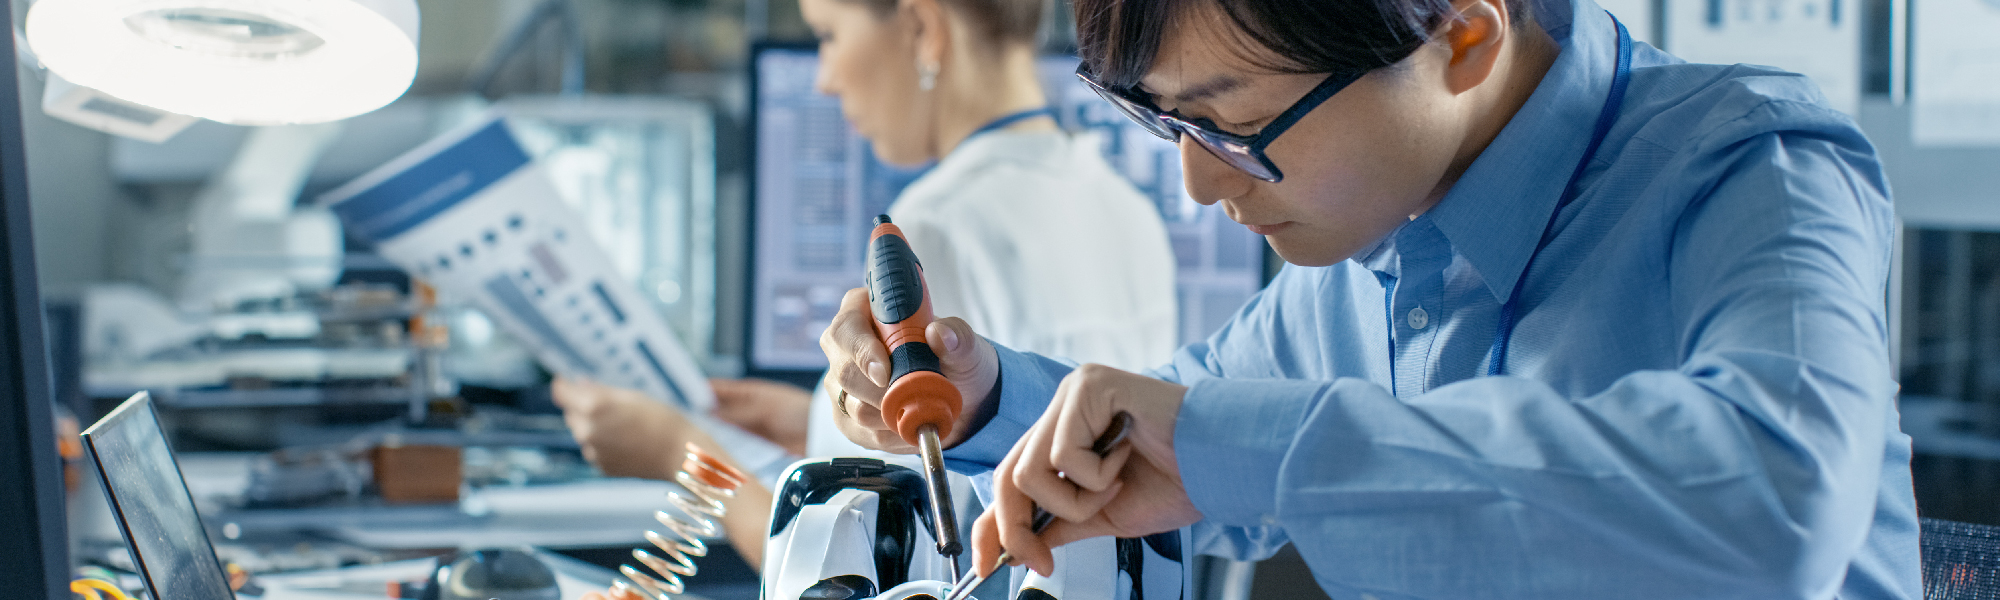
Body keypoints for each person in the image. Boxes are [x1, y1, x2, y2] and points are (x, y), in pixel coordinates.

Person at [817, 0, 1919, 595]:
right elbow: (1179, 419)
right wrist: (983, 393)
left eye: (1228, 122)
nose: (1200, 183)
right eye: (1170, 126)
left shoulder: (1751, 168)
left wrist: (1245, 444)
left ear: (1460, 35)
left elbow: (1772, 502)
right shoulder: (1380, 236)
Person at [552, 0, 1180, 568]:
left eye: (827, 35)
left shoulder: (935, 228)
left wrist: (677, 451)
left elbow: (843, 567)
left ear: (920, 26)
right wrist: (810, 426)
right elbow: (1029, 425)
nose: (824, 76)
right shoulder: (1124, 206)